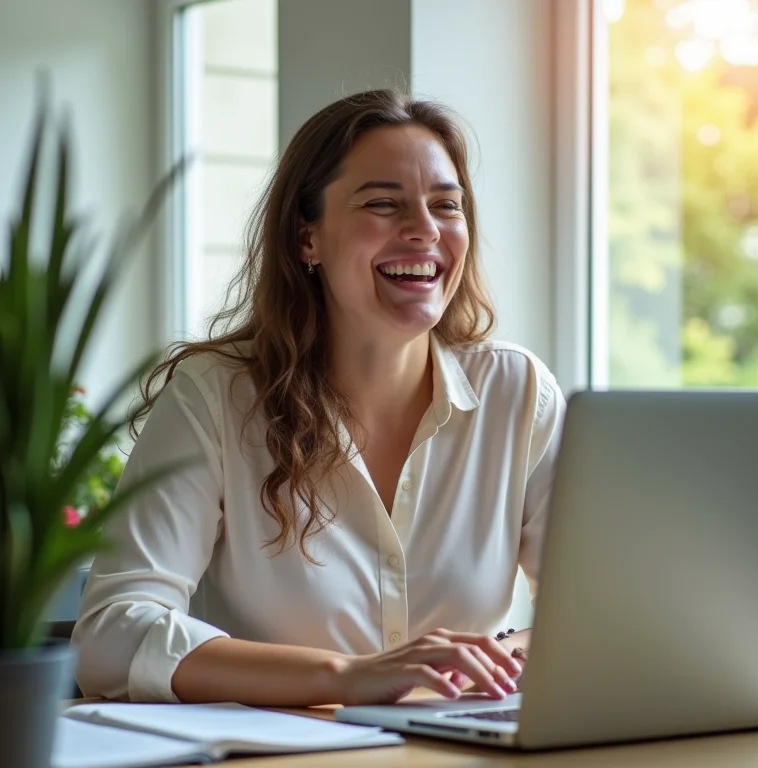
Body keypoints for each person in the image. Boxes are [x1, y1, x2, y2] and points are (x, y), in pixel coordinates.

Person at [73, 89, 566, 707]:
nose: (425, 231)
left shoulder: (519, 393)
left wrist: (483, 664)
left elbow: (592, 614)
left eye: (447, 205)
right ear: (308, 238)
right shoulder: (214, 398)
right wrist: (346, 677)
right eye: (384, 204)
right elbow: (113, 637)